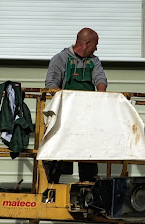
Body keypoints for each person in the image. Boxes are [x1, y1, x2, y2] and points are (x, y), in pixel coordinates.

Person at [43, 27, 107, 183]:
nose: (97, 48)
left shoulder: (94, 61)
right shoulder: (60, 59)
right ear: (86, 43)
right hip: (63, 116)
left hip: (86, 118)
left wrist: (100, 96)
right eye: (95, 44)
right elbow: (51, 84)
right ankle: (49, 188)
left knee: (88, 154)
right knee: (56, 154)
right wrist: (69, 101)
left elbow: (101, 80)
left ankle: (89, 189)